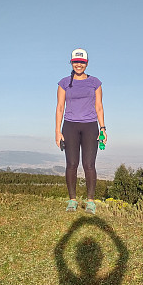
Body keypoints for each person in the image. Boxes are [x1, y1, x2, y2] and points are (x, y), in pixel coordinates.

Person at [55, 48, 107, 214]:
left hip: (90, 126)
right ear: (71, 62)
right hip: (70, 126)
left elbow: (99, 107)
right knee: (71, 164)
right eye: (76, 62)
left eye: (82, 62)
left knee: (89, 164)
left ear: (87, 63)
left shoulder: (95, 82)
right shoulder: (64, 83)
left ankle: (90, 201)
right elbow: (60, 107)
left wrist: (103, 128)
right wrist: (57, 130)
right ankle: (72, 200)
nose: (79, 65)